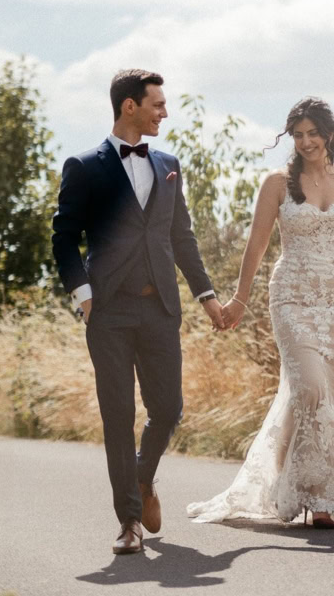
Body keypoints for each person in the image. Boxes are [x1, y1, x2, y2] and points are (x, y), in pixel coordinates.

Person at [187, 96, 334, 528]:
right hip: (292, 296)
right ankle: (307, 488)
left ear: (330, 134)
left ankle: (328, 497)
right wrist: (239, 298)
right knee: (310, 387)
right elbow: (256, 244)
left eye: (313, 133)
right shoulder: (277, 183)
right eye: (298, 135)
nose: (306, 142)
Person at [52, 69, 225, 555]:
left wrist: (206, 295)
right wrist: (82, 295)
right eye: (158, 104)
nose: (164, 113)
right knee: (117, 415)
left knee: (168, 409)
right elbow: (63, 237)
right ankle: (128, 521)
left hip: (160, 308)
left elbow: (181, 237)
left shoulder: (168, 164)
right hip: (107, 312)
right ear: (130, 106)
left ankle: (143, 478)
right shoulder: (84, 166)